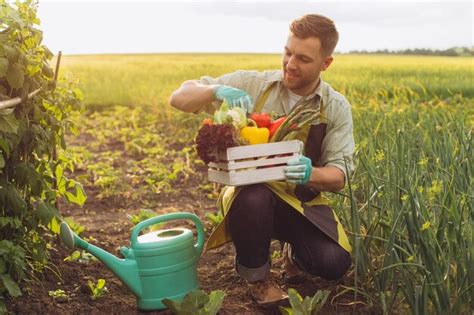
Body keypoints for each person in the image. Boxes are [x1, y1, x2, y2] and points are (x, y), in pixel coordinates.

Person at [170, 14, 354, 306]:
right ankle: (258, 279)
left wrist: (310, 174)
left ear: (325, 63)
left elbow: (340, 175)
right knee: (254, 195)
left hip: (301, 203)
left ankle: (293, 254)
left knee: (333, 263)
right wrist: (215, 91)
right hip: (248, 197)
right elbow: (178, 97)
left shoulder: (334, 107)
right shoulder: (252, 84)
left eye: (303, 59)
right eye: (287, 52)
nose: (290, 64)